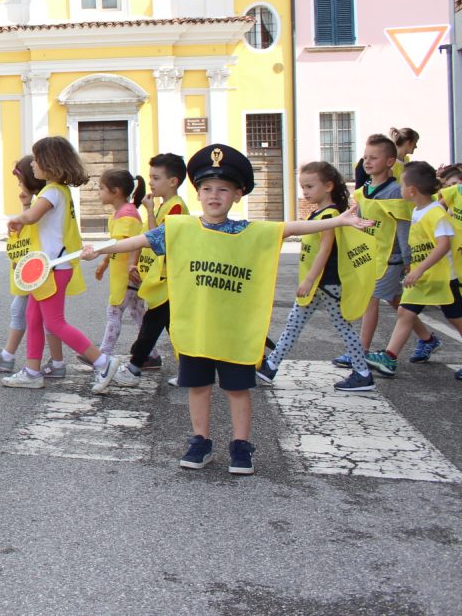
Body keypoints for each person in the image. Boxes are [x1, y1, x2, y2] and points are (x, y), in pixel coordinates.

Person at [83, 144, 374, 475]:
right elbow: (139, 241)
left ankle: (240, 445)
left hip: (234, 328)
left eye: (223, 189)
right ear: (198, 193)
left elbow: (290, 228)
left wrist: (338, 221)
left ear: (237, 195)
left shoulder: (248, 231)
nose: (214, 195)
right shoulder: (181, 228)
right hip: (198, 327)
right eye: (206, 188)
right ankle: (200, 440)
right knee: (198, 386)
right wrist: (100, 249)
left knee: (237, 389)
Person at [1, 136, 121, 394]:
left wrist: (19, 218)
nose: (33, 164)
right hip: (48, 268)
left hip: (52, 268)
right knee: (33, 317)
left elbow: (33, 215)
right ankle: (32, 371)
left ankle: (103, 361)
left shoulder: (52, 191)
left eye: (36, 159)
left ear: (50, 163)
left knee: (54, 323)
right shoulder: (59, 191)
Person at [255, 162, 376, 392]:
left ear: (328, 186)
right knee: (294, 324)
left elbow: (325, 249)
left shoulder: (330, 214)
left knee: (342, 328)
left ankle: (362, 373)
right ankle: (271, 366)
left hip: (325, 284)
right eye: (303, 187)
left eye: (310, 186)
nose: (305, 192)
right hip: (320, 284)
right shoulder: (320, 213)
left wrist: (309, 280)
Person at [341, 134, 436, 367]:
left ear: (390, 162)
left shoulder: (396, 191)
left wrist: (408, 259)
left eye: (374, 157)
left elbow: (404, 226)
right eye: (365, 157)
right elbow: (359, 224)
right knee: (396, 301)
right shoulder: (363, 190)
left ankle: (360, 352)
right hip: (371, 256)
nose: (367, 162)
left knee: (370, 300)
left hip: (390, 258)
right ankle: (427, 338)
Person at [366, 163, 461, 377]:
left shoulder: (436, 213)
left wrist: (419, 270)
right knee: (405, 312)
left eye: (402, 185)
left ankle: (390, 357)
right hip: (424, 278)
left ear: (411, 190)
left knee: (455, 318)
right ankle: (389, 358)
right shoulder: (419, 210)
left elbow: (443, 245)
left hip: (442, 278)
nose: (399, 189)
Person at [113, 153, 187, 387]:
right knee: (170, 326)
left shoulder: (175, 207)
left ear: (173, 181)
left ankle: (134, 366)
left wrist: (149, 211)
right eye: (150, 177)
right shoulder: (166, 204)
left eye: (156, 177)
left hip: (169, 279)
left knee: (152, 323)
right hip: (161, 278)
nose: (151, 182)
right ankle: (185, 369)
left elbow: (159, 240)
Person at [0, 156, 52, 375]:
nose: (19, 186)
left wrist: (26, 208)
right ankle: (16, 357)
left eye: (21, 181)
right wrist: (26, 203)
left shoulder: (44, 202)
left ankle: (11, 358)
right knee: (31, 314)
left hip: (37, 268)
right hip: (35, 267)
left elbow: (30, 234)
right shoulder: (40, 201)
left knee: (43, 318)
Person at [92, 169, 146, 357]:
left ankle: (103, 355)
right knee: (138, 315)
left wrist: (131, 264)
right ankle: (151, 354)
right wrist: (105, 263)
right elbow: (115, 244)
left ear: (116, 191)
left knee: (114, 313)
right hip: (126, 275)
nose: (98, 192)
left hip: (127, 276)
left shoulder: (127, 215)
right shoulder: (121, 213)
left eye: (101, 188)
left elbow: (129, 244)